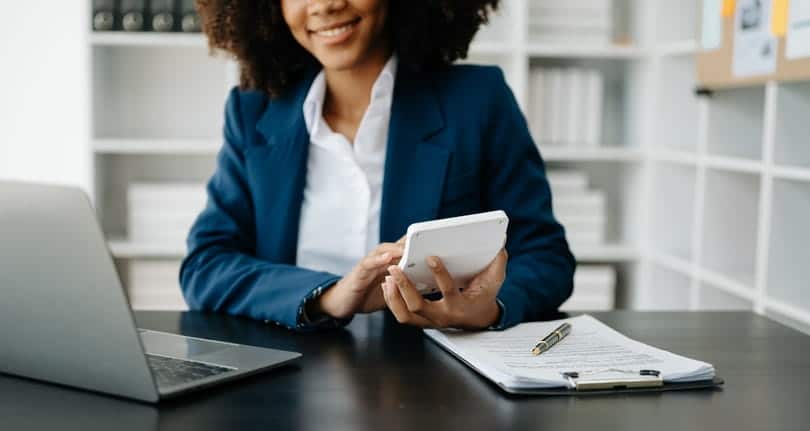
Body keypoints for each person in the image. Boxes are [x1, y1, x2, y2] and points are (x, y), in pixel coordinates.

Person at [180, 0, 575, 331]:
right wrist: (330, 295)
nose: (326, 5)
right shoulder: (253, 111)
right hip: (288, 377)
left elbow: (545, 255)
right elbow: (206, 266)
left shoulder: (477, 101)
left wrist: (487, 308)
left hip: (435, 382)